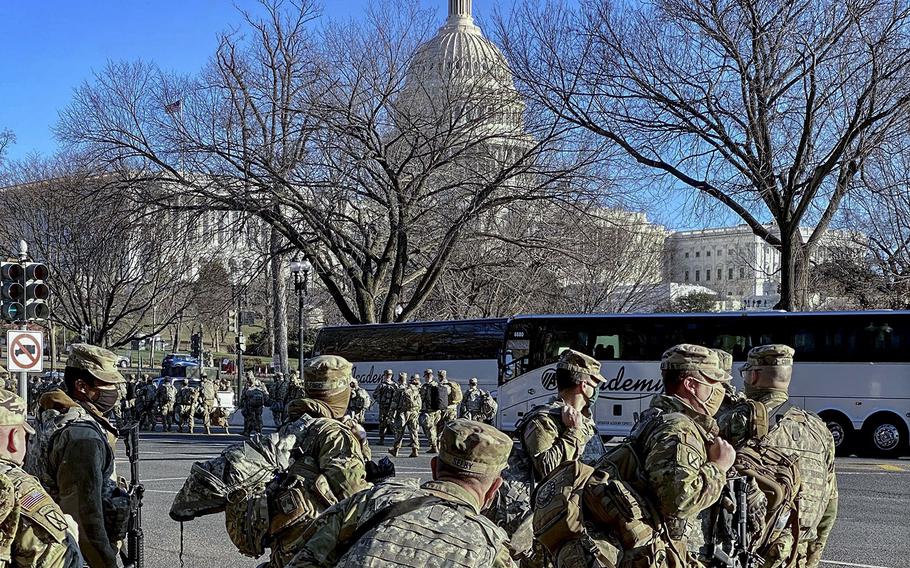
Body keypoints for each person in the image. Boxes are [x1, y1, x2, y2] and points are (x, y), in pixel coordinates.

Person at [287, 419, 516, 568]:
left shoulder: (370, 500)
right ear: (493, 490)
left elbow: (304, 560)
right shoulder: (491, 545)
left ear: (434, 468)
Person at [718, 345, 838, 568]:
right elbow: (830, 505)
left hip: (752, 553)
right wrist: (811, 557)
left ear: (753, 376)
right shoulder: (819, 429)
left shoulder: (739, 419)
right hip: (796, 552)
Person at [26, 344, 131, 568]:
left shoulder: (55, 415)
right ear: (82, 386)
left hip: (49, 546)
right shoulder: (82, 436)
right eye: (107, 384)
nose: (115, 391)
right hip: (72, 554)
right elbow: (84, 516)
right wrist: (106, 563)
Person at [266, 355, 371, 566]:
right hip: (318, 549)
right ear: (342, 392)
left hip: (287, 543)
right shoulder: (334, 434)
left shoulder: (293, 424)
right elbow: (356, 497)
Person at [0, 389, 83, 567]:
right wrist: (69, 536)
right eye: (25, 435)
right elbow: (58, 560)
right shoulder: (18, 490)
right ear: (14, 438)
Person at [519, 350, 605, 483]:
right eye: (595, 384)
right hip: (562, 502)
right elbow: (547, 471)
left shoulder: (585, 419)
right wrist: (573, 431)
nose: (596, 390)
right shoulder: (543, 420)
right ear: (583, 385)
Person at [389, 375, 422, 458]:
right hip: (414, 412)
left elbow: (394, 403)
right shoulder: (416, 389)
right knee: (414, 431)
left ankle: (395, 450)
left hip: (403, 413)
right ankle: (415, 450)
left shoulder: (401, 389)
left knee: (399, 431)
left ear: (400, 380)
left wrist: (390, 414)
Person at [418, 369, 441, 454]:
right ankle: (436, 445)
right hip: (437, 411)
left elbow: (421, 398)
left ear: (427, 376)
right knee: (434, 428)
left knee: (429, 429)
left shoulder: (425, 386)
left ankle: (434, 446)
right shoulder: (437, 384)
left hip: (429, 411)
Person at [239, 371, 269, 436]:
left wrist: (241, 402)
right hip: (257, 404)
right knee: (256, 417)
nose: (248, 379)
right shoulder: (260, 383)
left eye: (248, 377)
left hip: (252, 404)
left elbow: (244, 394)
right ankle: (256, 431)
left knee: (251, 417)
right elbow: (266, 393)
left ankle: (250, 431)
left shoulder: (251, 384)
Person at [373, 370, 398, 445]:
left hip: (392, 408)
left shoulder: (395, 385)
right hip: (383, 407)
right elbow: (375, 394)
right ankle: (381, 439)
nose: (388, 376)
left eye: (389, 375)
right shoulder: (381, 385)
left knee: (393, 424)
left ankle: (397, 440)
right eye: (387, 375)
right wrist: (380, 400)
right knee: (382, 424)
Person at [436, 370, 462, 435]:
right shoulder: (451, 385)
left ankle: (439, 442)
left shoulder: (439, 386)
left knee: (439, 427)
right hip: (452, 409)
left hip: (443, 410)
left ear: (439, 376)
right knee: (452, 428)